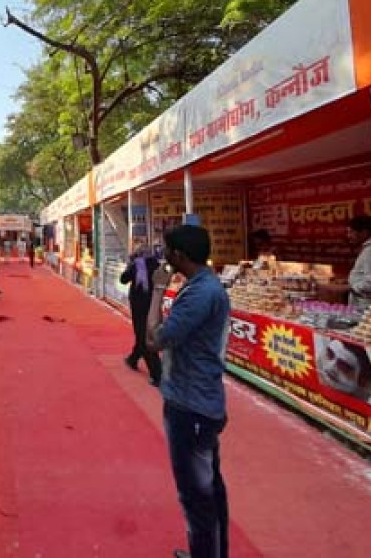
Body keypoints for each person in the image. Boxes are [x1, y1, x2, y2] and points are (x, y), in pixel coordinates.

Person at [146, 225, 231, 558]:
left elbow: (153, 339)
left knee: (197, 493)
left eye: (167, 251)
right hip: (196, 397)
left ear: (179, 256)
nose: (164, 257)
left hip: (191, 403)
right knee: (207, 487)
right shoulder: (201, 286)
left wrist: (157, 290)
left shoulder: (200, 294)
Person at [120, 244, 162, 386]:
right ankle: (133, 358)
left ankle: (157, 373)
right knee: (144, 333)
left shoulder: (137, 265)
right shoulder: (156, 264)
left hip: (139, 304)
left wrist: (129, 265)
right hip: (153, 302)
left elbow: (123, 279)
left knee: (142, 335)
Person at [347, 215, 371, 307]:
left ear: (364, 232)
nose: (348, 236)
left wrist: (348, 288)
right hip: (362, 301)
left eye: (351, 232)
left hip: (366, 304)